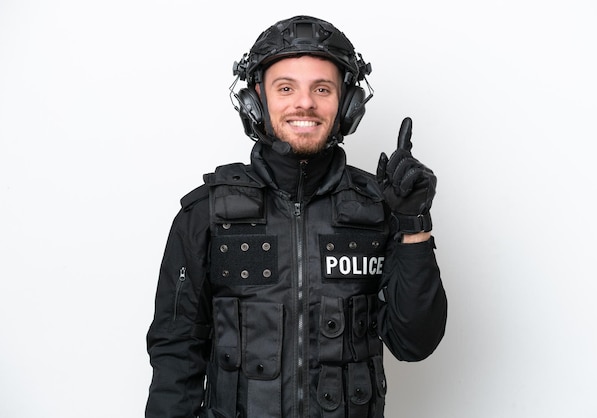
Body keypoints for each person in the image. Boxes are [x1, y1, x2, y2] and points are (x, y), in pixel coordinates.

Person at [146, 15, 447, 418]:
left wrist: (413, 226)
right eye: (285, 88)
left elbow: (415, 343)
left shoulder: (380, 209)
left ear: (347, 103)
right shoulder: (205, 215)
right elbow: (176, 354)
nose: (304, 103)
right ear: (256, 100)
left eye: (321, 89)